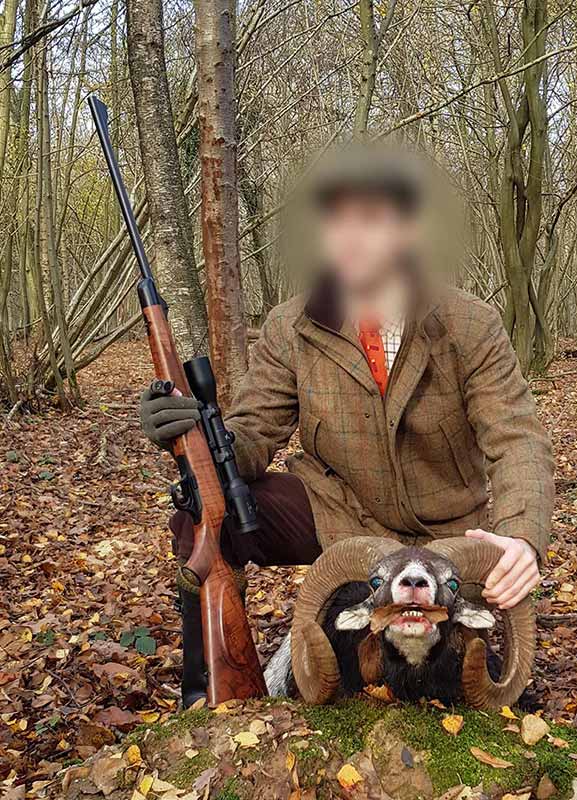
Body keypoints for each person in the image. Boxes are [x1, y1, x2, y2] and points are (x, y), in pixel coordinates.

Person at [139, 145, 555, 706]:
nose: (352, 238)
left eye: (372, 220)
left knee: (470, 690)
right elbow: (254, 431)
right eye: (338, 222)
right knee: (200, 517)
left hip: (447, 534)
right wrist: (192, 437)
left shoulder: (469, 325)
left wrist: (522, 537)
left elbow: (517, 438)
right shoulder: (292, 325)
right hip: (340, 516)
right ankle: (207, 692)